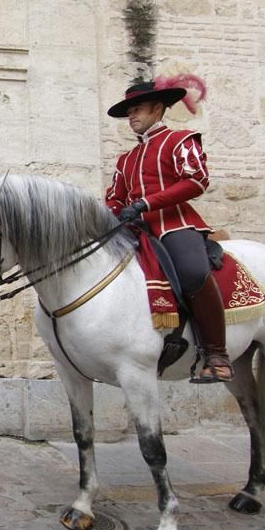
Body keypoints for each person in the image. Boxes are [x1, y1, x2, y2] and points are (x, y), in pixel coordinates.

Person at [104, 74, 231, 383]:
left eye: (138, 109)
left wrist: (147, 204)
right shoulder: (126, 159)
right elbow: (114, 199)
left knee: (191, 271)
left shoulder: (180, 140)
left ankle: (216, 354)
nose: (131, 116)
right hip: (133, 230)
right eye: (129, 112)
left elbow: (197, 180)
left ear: (158, 109)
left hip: (175, 224)